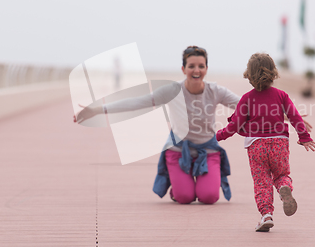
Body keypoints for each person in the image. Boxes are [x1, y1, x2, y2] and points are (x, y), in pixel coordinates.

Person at [75, 46, 239, 204]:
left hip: (208, 151)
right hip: (179, 151)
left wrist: (264, 97)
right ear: (183, 69)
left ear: (206, 68)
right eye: (191, 66)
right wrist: (97, 110)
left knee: (209, 197)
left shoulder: (216, 91)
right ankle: (177, 187)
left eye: (201, 66)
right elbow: (138, 102)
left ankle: (201, 182)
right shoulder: (172, 90)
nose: (196, 70)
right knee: (185, 197)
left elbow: (245, 105)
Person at [215, 53, 315, 232]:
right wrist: (304, 137)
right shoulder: (281, 95)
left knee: (262, 182)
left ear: (249, 75)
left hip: (256, 146)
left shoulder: (246, 99)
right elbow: (294, 116)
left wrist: (217, 136)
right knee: (280, 174)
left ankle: (266, 215)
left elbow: (234, 126)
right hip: (279, 144)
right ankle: (284, 187)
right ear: (273, 73)